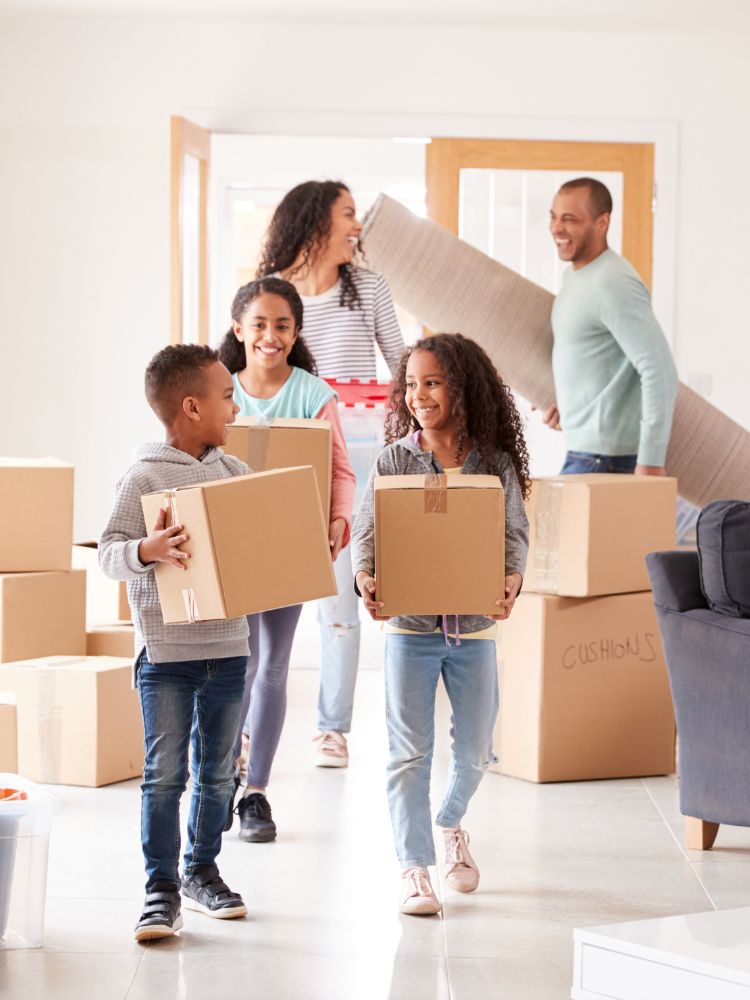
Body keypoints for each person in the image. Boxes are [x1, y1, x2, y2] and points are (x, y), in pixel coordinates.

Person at [350, 333, 530, 916]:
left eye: (431, 382)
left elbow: (514, 536)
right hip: (409, 627)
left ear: (463, 387)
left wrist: (512, 578)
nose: (418, 396)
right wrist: (365, 578)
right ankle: (414, 868)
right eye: (410, 384)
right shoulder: (393, 460)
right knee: (408, 754)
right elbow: (368, 533)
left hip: (474, 627)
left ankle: (450, 822)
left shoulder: (493, 463)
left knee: (477, 752)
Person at [99, 344, 249, 943]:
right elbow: (109, 552)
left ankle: (201, 870)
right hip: (165, 657)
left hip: (230, 647)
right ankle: (160, 887)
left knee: (217, 773)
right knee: (165, 774)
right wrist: (147, 551)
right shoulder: (144, 476)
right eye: (226, 396)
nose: (235, 406)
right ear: (192, 406)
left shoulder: (235, 474)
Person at [258, 180, 406, 768]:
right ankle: (248, 725)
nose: (356, 226)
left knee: (341, 596)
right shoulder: (274, 297)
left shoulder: (367, 288)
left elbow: (402, 367)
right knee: (263, 590)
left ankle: (331, 729)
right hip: (288, 452)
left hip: (359, 454)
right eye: (347, 214)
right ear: (316, 221)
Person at [218, 277, 356, 842]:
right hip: (231, 545)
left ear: (296, 332)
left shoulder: (313, 394)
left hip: (291, 544)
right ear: (238, 329)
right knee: (236, 667)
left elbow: (341, 471)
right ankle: (222, 777)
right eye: (259, 325)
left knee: (273, 665)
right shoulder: (219, 388)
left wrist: (337, 523)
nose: (270, 337)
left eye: (282, 326)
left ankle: (257, 794)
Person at [544, 177, 678, 476]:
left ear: (602, 222)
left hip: (607, 459)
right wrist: (570, 406)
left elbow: (660, 370)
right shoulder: (575, 277)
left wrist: (651, 461)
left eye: (569, 219)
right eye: (553, 217)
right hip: (586, 451)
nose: (556, 228)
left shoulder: (613, 282)